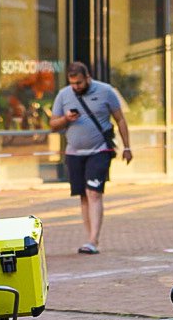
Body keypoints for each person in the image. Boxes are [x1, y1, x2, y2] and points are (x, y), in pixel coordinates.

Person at [49, 62, 132, 255]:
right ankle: (89, 239)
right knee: (84, 196)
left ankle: (94, 239)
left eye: (79, 82)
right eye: (73, 83)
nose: (76, 87)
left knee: (94, 192)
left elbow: (120, 119)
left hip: (100, 150)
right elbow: (53, 124)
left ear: (88, 77)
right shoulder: (64, 95)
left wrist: (127, 146)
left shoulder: (106, 91)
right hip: (74, 153)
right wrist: (66, 119)